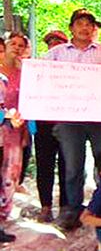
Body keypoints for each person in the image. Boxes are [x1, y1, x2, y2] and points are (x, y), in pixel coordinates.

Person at [48, 9, 101, 231]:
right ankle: (73, 210)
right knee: (73, 166)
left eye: (89, 24)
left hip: (98, 118)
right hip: (68, 119)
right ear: (71, 28)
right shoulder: (56, 54)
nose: (85, 28)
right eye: (80, 23)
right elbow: (42, 78)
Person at [35, 32, 68, 223]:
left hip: (67, 123)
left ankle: (65, 206)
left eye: (58, 43)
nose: (54, 46)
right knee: (44, 164)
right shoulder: (38, 69)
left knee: (67, 165)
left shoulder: (73, 70)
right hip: (44, 123)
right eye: (50, 43)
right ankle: (45, 206)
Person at [0, 34, 30, 243]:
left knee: (10, 176)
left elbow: (30, 104)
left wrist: (28, 130)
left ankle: (1, 221)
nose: (17, 48)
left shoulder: (26, 75)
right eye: (13, 44)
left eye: (21, 45)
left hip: (15, 131)